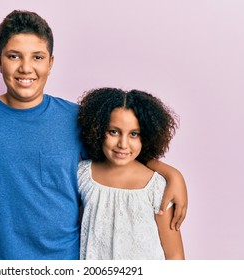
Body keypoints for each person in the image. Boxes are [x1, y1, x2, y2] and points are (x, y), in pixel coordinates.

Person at [0, 10, 187, 260]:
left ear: (50, 62)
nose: (26, 68)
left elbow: (118, 153)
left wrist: (171, 174)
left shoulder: (76, 118)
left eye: (37, 57)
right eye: (14, 56)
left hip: (66, 262)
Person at [77, 87, 185, 259]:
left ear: (147, 136)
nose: (123, 144)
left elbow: (175, 255)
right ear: (97, 129)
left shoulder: (157, 187)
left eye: (134, 134)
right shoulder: (83, 175)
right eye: (114, 132)